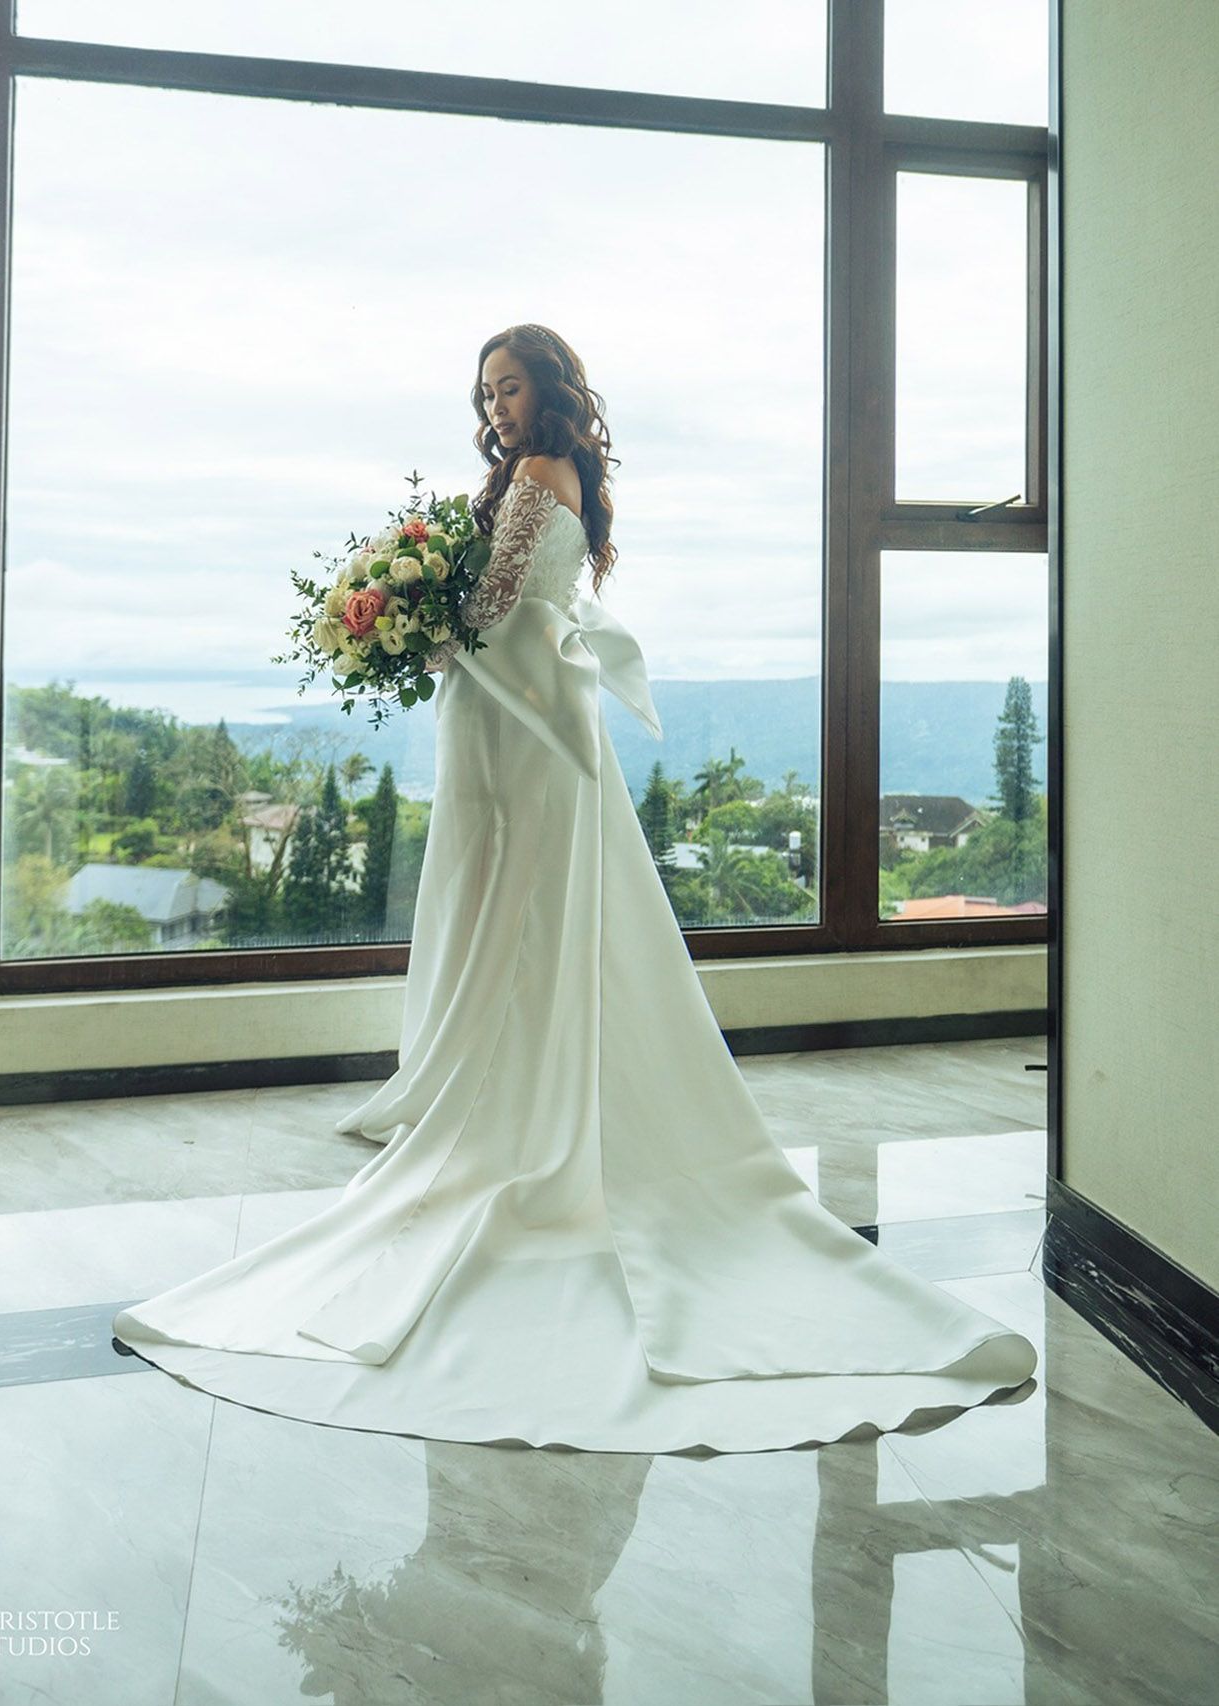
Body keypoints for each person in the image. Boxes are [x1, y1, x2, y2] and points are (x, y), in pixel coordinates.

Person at [112, 323, 1037, 1453]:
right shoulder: (554, 473)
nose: (495, 406)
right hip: (519, 714)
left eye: (510, 387)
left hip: (518, 722)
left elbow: (492, 604)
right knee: (518, 901)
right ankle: (508, 1067)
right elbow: (508, 604)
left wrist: (402, 613)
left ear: (549, 388)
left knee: (519, 898)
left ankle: (521, 1093)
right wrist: (405, 611)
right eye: (485, 392)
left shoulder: (541, 474)